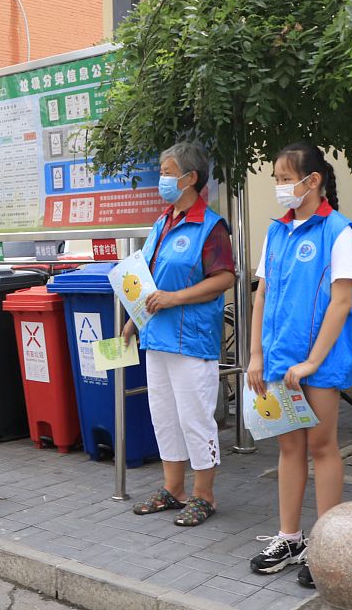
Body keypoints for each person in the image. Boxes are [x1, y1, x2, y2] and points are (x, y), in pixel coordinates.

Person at [246, 142, 352, 590]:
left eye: (284, 177)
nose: (279, 186)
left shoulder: (339, 230)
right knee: (289, 449)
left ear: (313, 181)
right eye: (275, 178)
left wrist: (313, 360)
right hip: (277, 360)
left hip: (320, 363)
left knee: (322, 447)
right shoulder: (277, 231)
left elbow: (342, 299)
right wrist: (256, 354)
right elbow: (261, 294)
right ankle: (289, 538)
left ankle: (325, 545)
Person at [123, 141, 235, 528]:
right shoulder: (163, 221)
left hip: (191, 339)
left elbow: (224, 278)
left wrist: (174, 299)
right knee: (164, 416)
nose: (162, 178)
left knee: (195, 417)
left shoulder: (211, 226)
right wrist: (134, 318)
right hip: (157, 338)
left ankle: (204, 494)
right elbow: (148, 278)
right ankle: (173, 489)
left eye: (168, 171)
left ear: (190, 178)